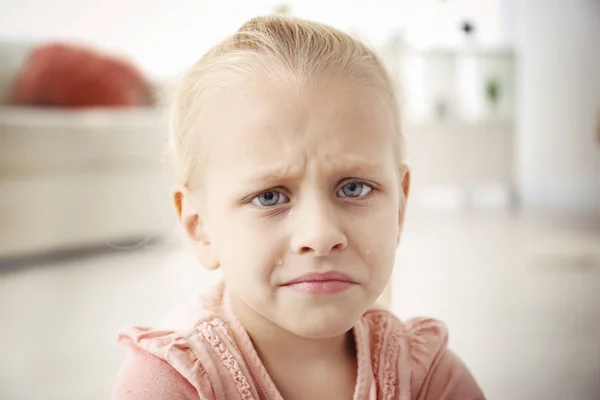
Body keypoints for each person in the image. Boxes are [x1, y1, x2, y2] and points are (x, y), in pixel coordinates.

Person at [111, 15, 485, 400]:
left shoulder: (428, 379)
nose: (320, 235)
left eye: (354, 188)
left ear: (400, 207)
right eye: (269, 197)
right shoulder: (169, 384)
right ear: (199, 226)